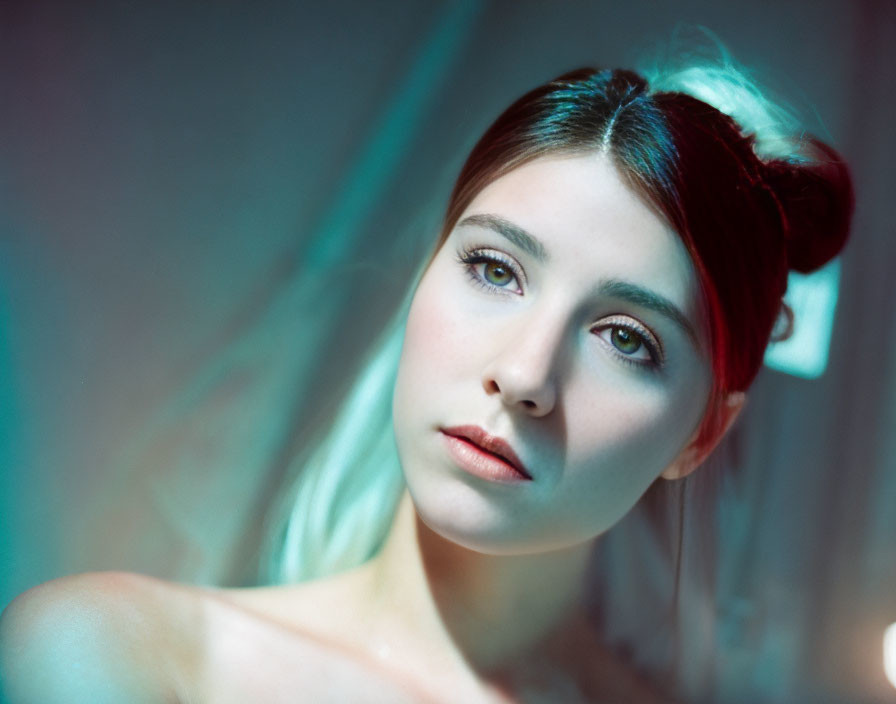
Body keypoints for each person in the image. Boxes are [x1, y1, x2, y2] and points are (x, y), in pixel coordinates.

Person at [0, 43, 853, 703]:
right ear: (425, 277)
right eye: (494, 270)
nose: (524, 374)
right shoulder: (114, 658)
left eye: (626, 338)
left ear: (703, 432)